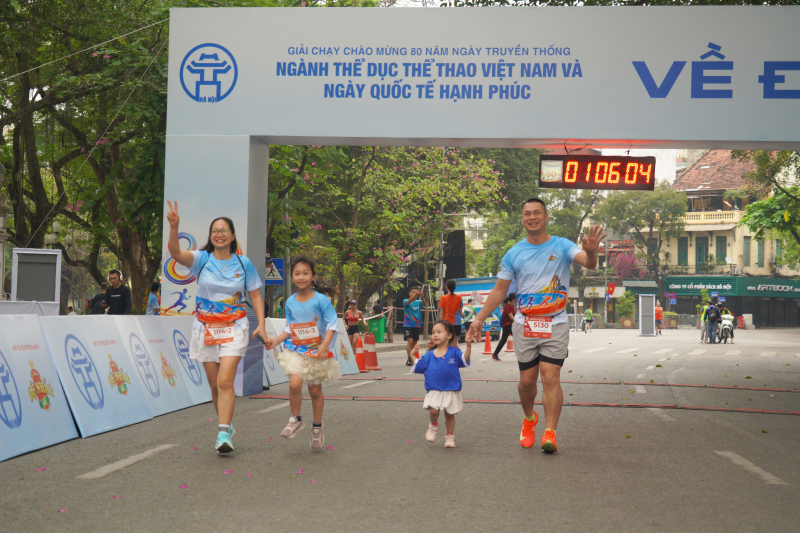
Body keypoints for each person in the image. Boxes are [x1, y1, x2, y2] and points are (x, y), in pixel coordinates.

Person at [467, 198, 605, 453]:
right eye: (527, 213)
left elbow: (588, 262)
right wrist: (479, 318)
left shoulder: (562, 245)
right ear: (522, 218)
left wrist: (591, 252)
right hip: (525, 324)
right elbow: (500, 290)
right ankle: (529, 418)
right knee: (527, 382)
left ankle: (550, 433)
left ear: (546, 216)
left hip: (556, 323)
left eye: (537, 213)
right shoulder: (513, 253)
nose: (532, 217)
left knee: (550, 376)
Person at [166, 200, 266, 454]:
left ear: (232, 236)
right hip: (205, 328)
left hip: (235, 327)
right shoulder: (201, 259)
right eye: (215, 231)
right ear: (211, 236)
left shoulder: (243, 264)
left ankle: (222, 433)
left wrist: (262, 325)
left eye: (224, 231)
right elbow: (175, 253)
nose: (219, 234)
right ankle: (227, 425)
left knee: (224, 381)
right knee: (214, 386)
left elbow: (255, 295)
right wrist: (174, 227)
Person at [263, 256, 341, 450]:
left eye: (305, 273)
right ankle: (296, 419)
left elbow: (332, 324)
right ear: (292, 277)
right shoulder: (290, 302)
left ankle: (317, 426)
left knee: (315, 391)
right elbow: (290, 328)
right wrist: (275, 341)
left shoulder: (321, 300)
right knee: (294, 383)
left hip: (316, 351)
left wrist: (325, 345)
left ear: (313, 277)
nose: (301, 277)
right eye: (297, 273)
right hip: (296, 349)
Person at [412, 320, 472, 448]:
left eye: (439, 332)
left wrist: (468, 347)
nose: (435, 335)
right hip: (434, 389)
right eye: (433, 332)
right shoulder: (428, 355)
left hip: (451, 389)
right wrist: (412, 356)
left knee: (450, 414)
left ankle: (450, 437)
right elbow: (420, 366)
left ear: (449, 335)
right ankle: (433, 425)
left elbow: (464, 359)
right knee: (434, 410)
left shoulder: (454, 352)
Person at [492, 293, 517, 361]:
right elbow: (511, 317)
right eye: (516, 297)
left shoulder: (512, 306)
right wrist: (518, 322)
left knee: (516, 339)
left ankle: (495, 354)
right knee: (504, 340)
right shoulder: (508, 306)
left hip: (511, 325)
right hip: (507, 326)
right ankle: (495, 354)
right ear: (513, 299)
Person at [403, 287, 424, 366]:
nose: (415, 293)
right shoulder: (405, 300)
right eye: (413, 292)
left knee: (415, 342)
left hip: (416, 324)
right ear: (409, 293)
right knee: (410, 341)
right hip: (408, 324)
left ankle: (413, 357)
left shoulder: (418, 302)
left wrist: (422, 297)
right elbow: (408, 302)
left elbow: (423, 302)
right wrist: (415, 295)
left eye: (416, 292)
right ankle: (409, 358)